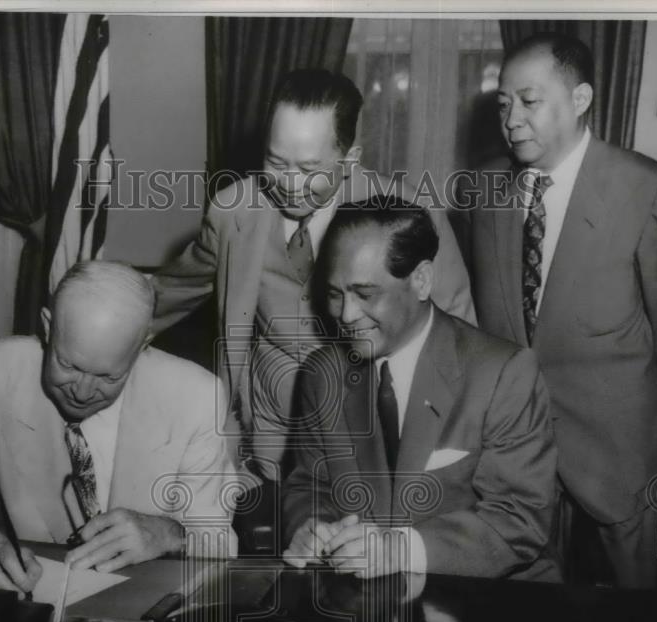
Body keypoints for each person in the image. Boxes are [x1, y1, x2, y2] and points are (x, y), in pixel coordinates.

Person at [464, 32, 657, 588]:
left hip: (613, 443)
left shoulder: (652, 188)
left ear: (580, 100)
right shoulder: (483, 187)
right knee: (523, 608)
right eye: (503, 104)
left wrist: (625, 391)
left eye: (529, 101)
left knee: (629, 613)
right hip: (514, 445)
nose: (512, 119)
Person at [150, 68, 475, 480]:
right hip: (266, 446)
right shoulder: (234, 212)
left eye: (308, 168)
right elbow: (172, 291)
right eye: (275, 161)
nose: (288, 184)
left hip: (372, 443)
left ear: (349, 159)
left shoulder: (408, 214)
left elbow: (459, 335)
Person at [0, 261, 237, 594]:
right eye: (68, 365)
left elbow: (220, 542)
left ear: (142, 348)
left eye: (107, 377)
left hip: (147, 608)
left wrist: (173, 535)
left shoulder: (195, 396)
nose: (81, 391)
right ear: (48, 327)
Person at [281, 198, 560, 581]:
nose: (345, 316)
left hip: (483, 599)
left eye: (365, 294)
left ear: (422, 280)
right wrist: (311, 526)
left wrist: (399, 550)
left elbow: (520, 518)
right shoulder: (322, 374)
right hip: (365, 602)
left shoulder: (503, 374)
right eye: (334, 294)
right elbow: (307, 485)